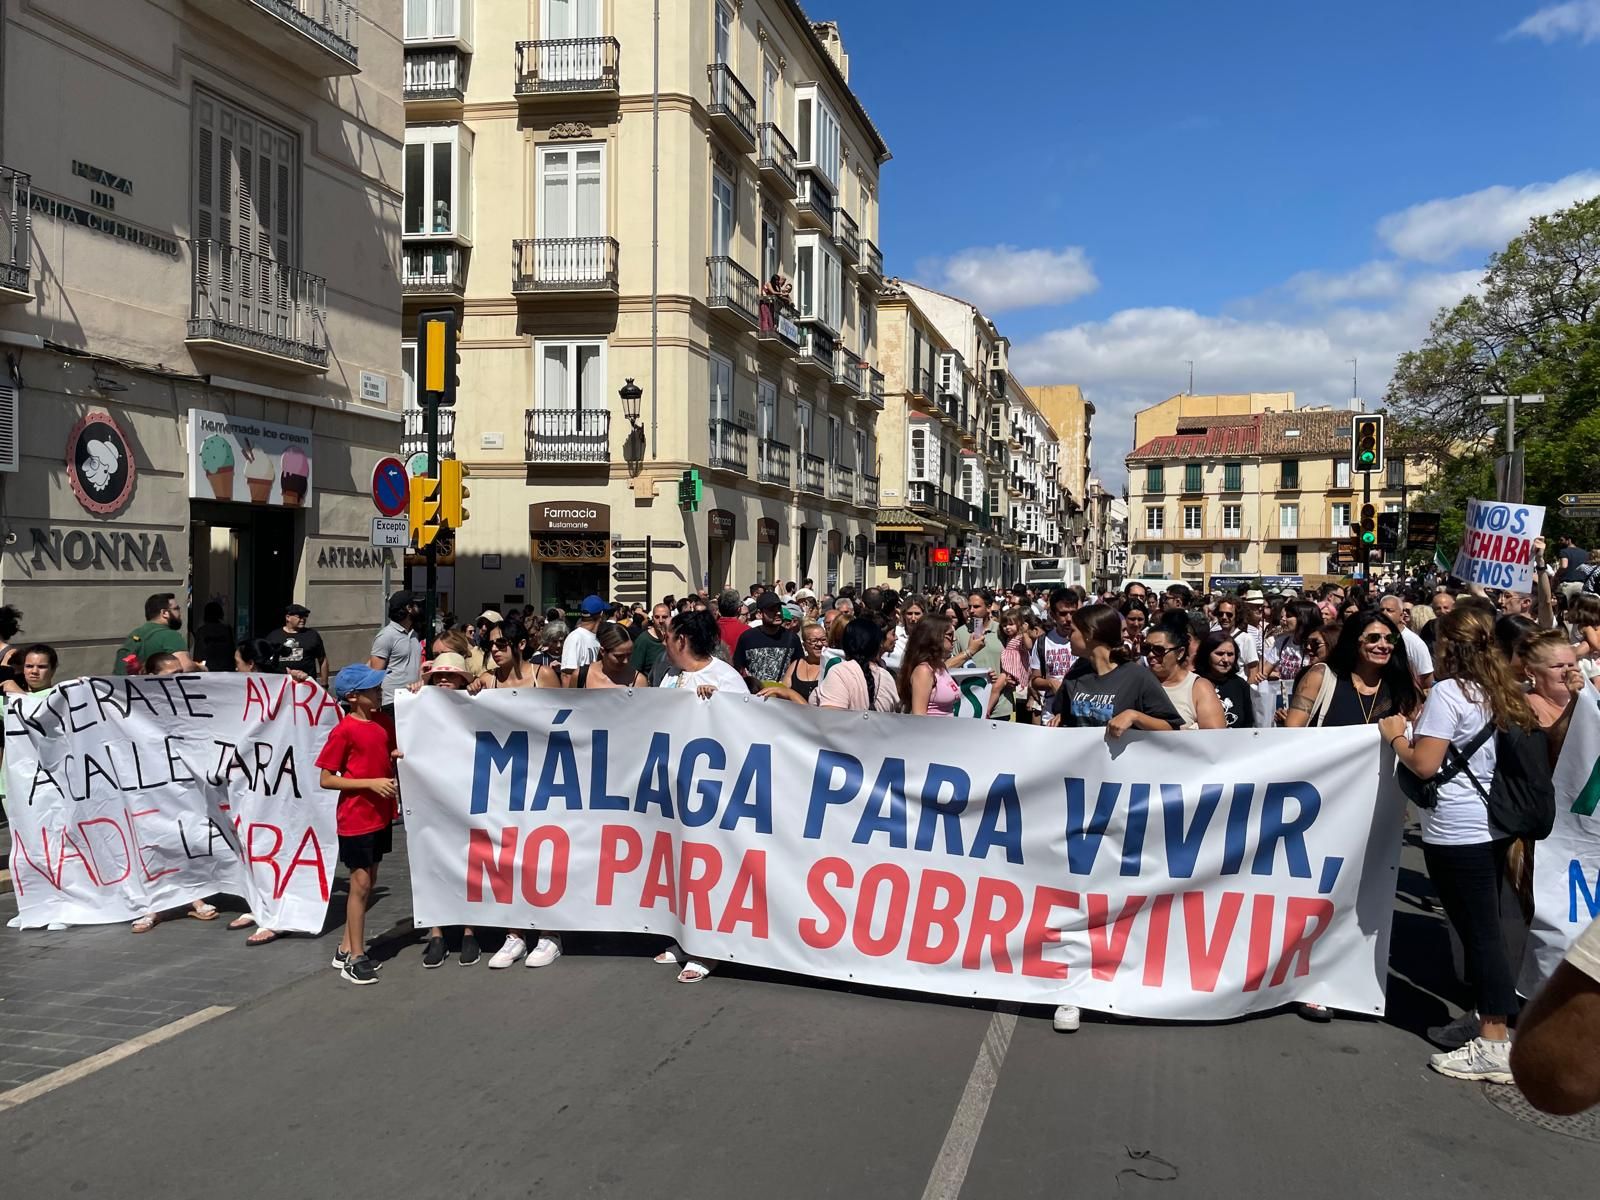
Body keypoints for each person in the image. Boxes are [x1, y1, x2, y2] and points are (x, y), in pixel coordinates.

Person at [1381, 606, 1578, 1081]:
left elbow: (1425, 764)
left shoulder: (1451, 692)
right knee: (1479, 927)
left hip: (1456, 828)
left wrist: (1396, 739)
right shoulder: (1503, 690)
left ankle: (1493, 1039)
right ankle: (1485, 1015)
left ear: (1447, 645)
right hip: (1489, 825)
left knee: (1480, 931)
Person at [1046, 603, 1182, 1033]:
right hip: (1077, 801)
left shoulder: (1136, 677)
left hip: (1124, 803)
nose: (1068, 631)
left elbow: (1172, 730)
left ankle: (1122, 973)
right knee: (1076, 892)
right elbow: (1065, 728)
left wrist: (1137, 716)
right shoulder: (1074, 678)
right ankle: (1074, 988)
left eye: (1076, 627)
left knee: (1117, 892)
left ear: (1093, 633)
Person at [317, 665, 402, 985]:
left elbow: (387, 750)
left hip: (381, 816)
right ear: (353, 697)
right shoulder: (344, 730)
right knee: (361, 884)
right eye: (373, 689)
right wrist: (370, 784)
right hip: (355, 818)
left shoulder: (383, 721)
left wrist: (397, 754)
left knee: (369, 880)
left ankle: (345, 947)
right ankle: (356, 956)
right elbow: (326, 779)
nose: (380, 692)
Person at [412, 653, 482, 968]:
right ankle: (437, 933)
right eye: (438, 676)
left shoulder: (475, 705)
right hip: (430, 796)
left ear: (461, 680)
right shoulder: (417, 704)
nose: (443, 680)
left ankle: (470, 930)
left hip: (468, 794)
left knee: (470, 859)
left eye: (450, 676)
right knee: (432, 859)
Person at [1144, 619, 1224, 730]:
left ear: (1180, 653)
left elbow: (1216, 737)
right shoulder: (1137, 681)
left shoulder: (1198, 687)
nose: (1150, 655)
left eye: (1158, 650)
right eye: (1146, 649)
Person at [812, 618, 900, 712]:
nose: (897, 638)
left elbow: (831, 718)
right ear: (877, 645)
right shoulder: (887, 677)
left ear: (846, 643)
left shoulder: (839, 673)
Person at [656, 609, 746, 697]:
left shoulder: (726, 678)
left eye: (667, 638)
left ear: (681, 640)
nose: (664, 643)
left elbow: (742, 709)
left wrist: (719, 699)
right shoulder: (671, 673)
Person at [1265, 599, 1323, 720]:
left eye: (1289, 616)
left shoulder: (1316, 647)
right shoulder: (1282, 641)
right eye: (1283, 615)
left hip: (1308, 704)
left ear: (1303, 619)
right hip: (1283, 701)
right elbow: (1264, 671)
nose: (1284, 619)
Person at [732, 592, 801, 690]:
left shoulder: (792, 638)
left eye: (779, 608)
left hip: (783, 699)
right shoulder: (747, 637)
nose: (778, 613)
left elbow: (799, 668)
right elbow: (737, 669)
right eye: (772, 610)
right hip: (755, 698)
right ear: (760, 614)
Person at [367, 591, 423, 708]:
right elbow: (374, 673)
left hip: (413, 698)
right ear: (409, 608)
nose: (419, 608)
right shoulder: (386, 636)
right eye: (415, 605)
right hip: (392, 702)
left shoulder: (414, 634)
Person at [115, 593, 194, 675]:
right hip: (156, 687)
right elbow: (186, 667)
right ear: (164, 613)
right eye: (176, 608)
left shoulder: (134, 635)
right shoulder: (170, 636)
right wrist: (201, 667)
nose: (180, 613)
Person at [900, 617, 964, 716]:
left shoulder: (940, 666)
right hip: (932, 730)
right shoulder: (924, 671)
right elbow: (919, 715)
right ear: (935, 637)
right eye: (950, 635)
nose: (954, 639)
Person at [1028, 587, 1078, 714]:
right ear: (1053, 615)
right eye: (1063, 614)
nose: (1069, 618)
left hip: (1079, 712)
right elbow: (1035, 680)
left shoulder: (1087, 641)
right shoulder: (1042, 642)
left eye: (1072, 613)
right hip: (1051, 712)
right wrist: (1050, 683)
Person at [473, 620, 559, 692]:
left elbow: (559, 709)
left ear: (521, 644)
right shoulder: (487, 680)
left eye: (501, 642)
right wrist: (472, 689)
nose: (494, 648)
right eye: (490, 644)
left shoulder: (544, 675)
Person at [1196, 632, 1255, 728]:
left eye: (1230, 654)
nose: (1226, 659)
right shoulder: (1194, 681)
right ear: (1206, 654)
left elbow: (1248, 723)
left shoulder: (1241, 685)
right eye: (1219, 654)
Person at [263, 604, 328, 687]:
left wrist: (324, 684)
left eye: (305, 616)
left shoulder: (312, 635)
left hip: (306, 685)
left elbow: (322, 659)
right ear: (288, 617)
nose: (303, 619)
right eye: (299, 616)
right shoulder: (274, 636)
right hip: (280, 686)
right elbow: (265, 662)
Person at [762, 620, 827, 705]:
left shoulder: (832, 665)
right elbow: (783, 693)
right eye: (813, 641)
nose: (819, 644)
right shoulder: (795, 665)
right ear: (804, 645)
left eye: (823, 640)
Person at [1378, 593, 1435, 688]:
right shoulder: (1378, 637)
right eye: (1381, 610)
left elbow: (1427, 680)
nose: (1384, 613)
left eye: (1389, 610)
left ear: (1401, 615)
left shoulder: (1414, 643)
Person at [580, 622, 647, 689]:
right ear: (602, 651)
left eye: (629, 655)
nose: (626, 661)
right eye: (619, 656)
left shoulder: (639, 681)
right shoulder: (582, 675)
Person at [560, 595, 606, 685]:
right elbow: (567, 676)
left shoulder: (596, 637)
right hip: (580, 697)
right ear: (601, 614)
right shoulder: (575, 638)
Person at [630, 603, 672, 679]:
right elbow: (634, 669)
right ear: (652, 618)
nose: (661, 620)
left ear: (670, 617)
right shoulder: (643, 639)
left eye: (664, 617)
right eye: (657, 617)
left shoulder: (676, 638)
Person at [192, 601, 236, 673]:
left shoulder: (202, 631)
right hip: (226, 667)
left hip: (208, 668)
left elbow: (198, 653)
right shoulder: (227, 630)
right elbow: (231, 650)